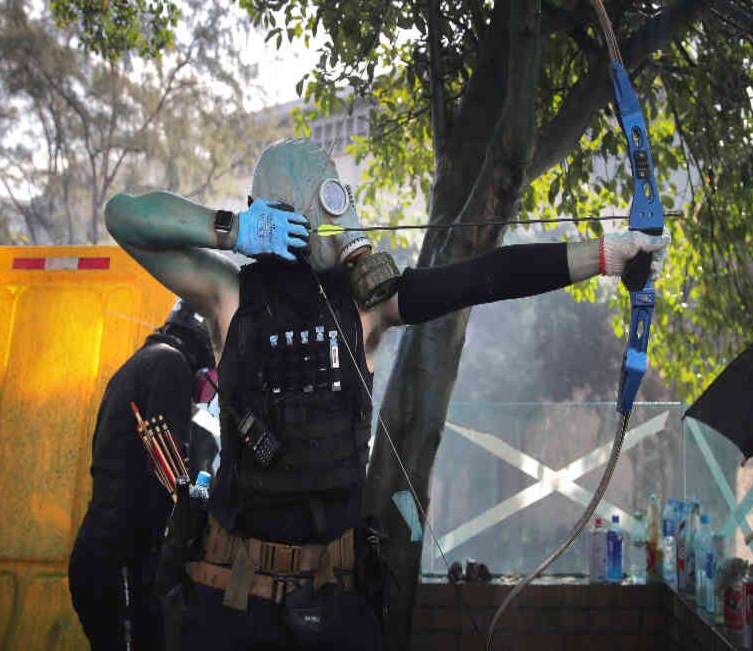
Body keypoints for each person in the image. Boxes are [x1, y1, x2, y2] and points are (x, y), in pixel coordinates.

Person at [104, 137, 669, 650]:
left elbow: (485, 276)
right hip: (232, 600)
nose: (336, 213)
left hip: (334, 601)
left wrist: (605, 255)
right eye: (321, 198)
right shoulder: (228, 294)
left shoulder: (367, 306)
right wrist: (232, 229)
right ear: (276, 210)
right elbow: (124, 217)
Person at [69, 301, 216, 650]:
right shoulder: (170, 365)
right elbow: (171, 475)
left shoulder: (140, 363)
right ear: (202, 341)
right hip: (119, 559)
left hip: (105, 553)